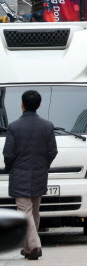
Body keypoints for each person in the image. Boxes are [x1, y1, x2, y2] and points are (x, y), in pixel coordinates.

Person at [2, 90, 58, 260]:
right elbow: (52, 151)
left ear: (22, 104)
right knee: (34, 211)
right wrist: (43, 165)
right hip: (40, 173)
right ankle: (28, 248)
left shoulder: (14, 127)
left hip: (20, 174)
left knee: (25, 211)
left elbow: (8, 154)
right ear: (39, 105)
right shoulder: (47, 126)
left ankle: (34, 246)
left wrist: (10, 167)